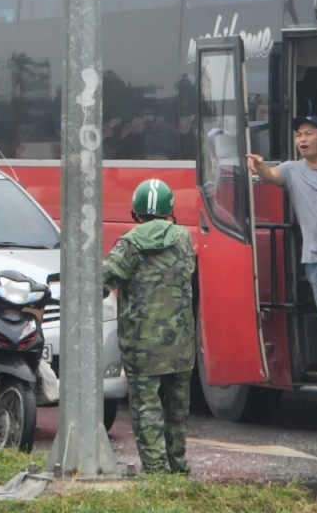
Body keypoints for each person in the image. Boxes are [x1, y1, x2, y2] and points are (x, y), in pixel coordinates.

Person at [246, 115, 317, 381]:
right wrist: (258, 166)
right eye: (299, 135)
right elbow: (270, 175)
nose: (302, 140)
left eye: (309, 133)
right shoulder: (292, 169)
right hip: (314, 255)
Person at [101, 178, 196, 474]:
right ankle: (178, 465)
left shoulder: (129, 244)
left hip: (142, 346)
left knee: (146, 408)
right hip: (181, 343)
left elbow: (104, 280)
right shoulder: (183, 238)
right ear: (171, 210)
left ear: (135, 212)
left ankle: (155, 470)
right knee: (176, 409)